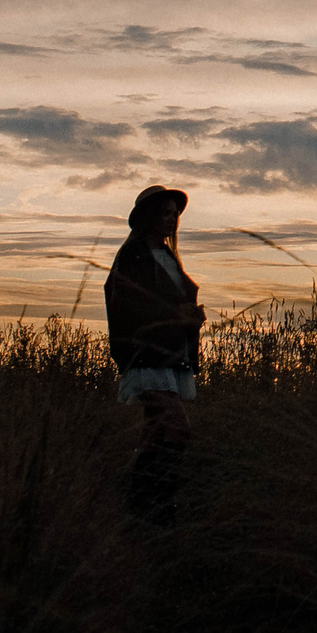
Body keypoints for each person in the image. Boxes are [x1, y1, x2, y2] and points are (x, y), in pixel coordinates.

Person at [104, 184, 205, 525]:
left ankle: (141, 509)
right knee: (177, 429)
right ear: (148, 217)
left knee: (154, 432)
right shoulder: (132, 259)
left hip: (169, 356)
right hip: (147, 358)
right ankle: (158, 506)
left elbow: (176, 303)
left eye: (174, 215)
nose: (171, 221)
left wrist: (191, 319)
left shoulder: (167, 258)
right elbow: (128, 309)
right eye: (164, 213)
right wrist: (177, 317)